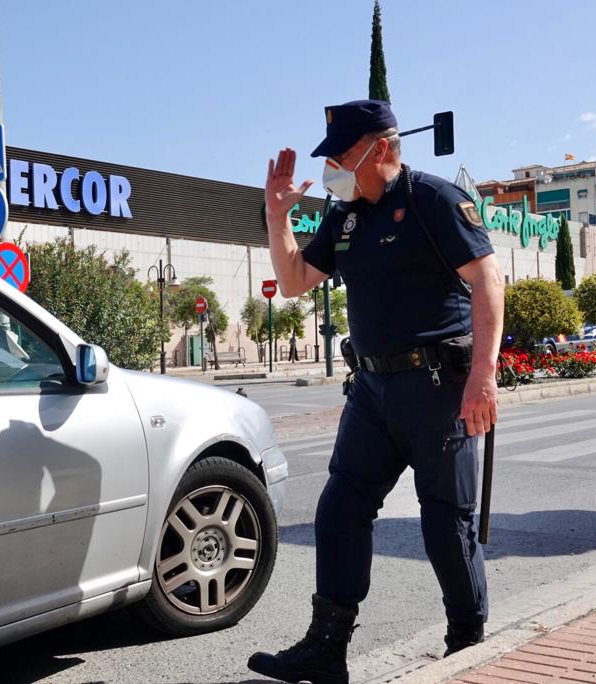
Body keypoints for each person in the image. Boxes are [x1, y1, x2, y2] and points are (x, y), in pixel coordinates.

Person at [248, 100, 505, 684]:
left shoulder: (433, 200)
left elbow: (488, 281)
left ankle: (467, 642)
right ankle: (326, 648)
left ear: (381, 148)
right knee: (340, 507)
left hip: (439, 386)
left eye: (341, 155)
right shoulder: (345, 217)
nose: (334, 167)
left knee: (446, 521)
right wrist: (276, 213)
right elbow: (293, 283)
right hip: (371, 388)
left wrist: (483, 377)